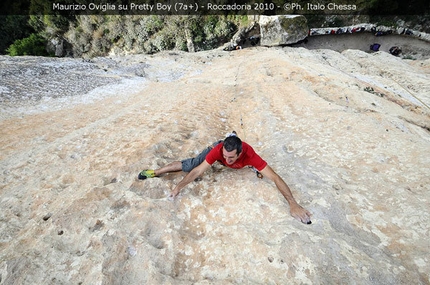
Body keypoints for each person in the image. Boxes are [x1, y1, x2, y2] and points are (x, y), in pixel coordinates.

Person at [138, 132, 312, 224]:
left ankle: (232, 138)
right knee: (191, 165)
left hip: (241, 158)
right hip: (216, 148)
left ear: (241, 152)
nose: (227, 160)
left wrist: (293, 203)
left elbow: (275, 177)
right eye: (225, 156)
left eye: (231, 157)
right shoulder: (219, 152)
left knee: (257, 171)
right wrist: (178, 187)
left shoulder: (250, 154)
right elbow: (198, 171)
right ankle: (155, 171)